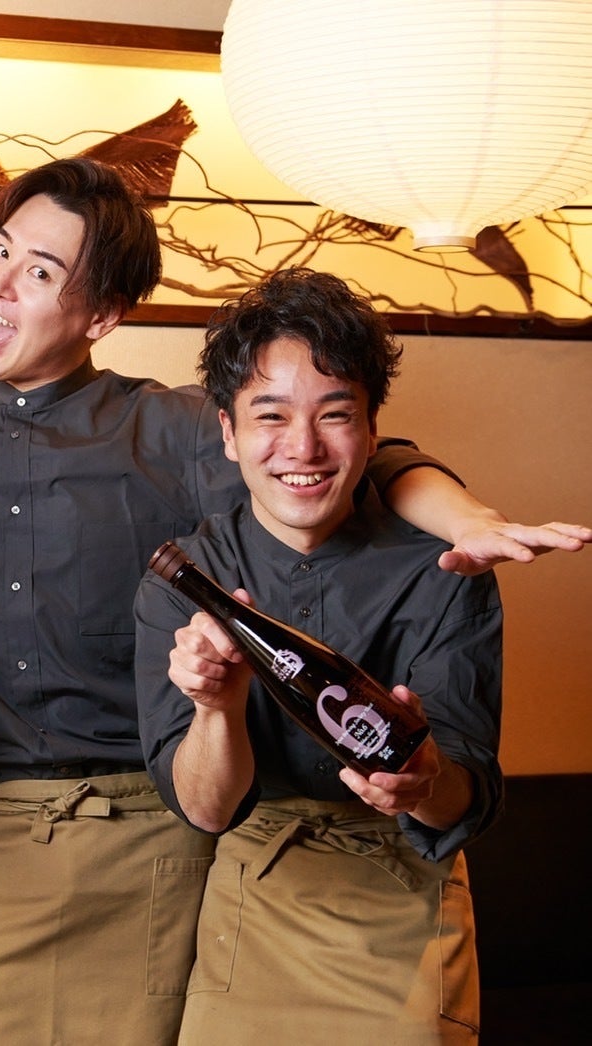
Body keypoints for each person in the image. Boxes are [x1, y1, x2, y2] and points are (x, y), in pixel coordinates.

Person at [0, 157, 587, 1044]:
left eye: (41, 271)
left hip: (161, 832)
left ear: (102, 316)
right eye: (0, 250)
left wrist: (470, 520)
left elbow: (331, 461)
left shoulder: (174, 427)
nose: (0, 281)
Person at [133, 267, 502, 1043]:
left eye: (335, 415)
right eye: (270, 416)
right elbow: (205, 810)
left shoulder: (443, 568)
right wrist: (216, 709)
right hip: (253, 901)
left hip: (405, 898)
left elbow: (466, 798)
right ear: (229, 433)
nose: (303, 447)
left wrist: (422, 780)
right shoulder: (188, 580)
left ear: (372, 430)